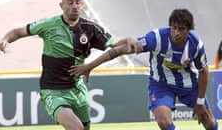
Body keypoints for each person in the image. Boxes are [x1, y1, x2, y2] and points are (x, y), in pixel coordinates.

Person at [69, 9, 219, 130]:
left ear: (189, 30)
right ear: (170, 27)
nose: (176, 33)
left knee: (210, 123)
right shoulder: (157, 38)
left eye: (181, 29)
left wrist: (200, 102)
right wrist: (90, 66)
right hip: (161, 84)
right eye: (174, 28)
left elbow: (204, 71)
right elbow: (120, 50)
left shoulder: (195, 43)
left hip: (188, 84)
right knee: (163, 122)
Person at [0, 0, 119, 130]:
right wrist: (4, 40)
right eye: (70, 2)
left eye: (78, 2)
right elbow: (17, 32)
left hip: (78, 90)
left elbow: (117, 45)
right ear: (61, 5)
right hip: (53, 90)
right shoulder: (48, 25)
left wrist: (133, 43)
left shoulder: (90, 28)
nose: (74, 6)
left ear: (82, 5)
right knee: (76, 128)